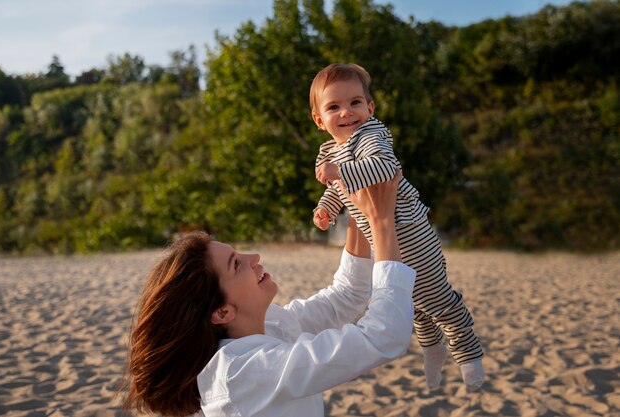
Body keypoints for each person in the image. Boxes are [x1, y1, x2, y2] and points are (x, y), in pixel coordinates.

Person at [123, 171, 417, 417]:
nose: (254, 257)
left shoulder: (267, 325)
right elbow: (383, 336)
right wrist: (381, 223)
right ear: (223, 312)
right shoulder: (242, 372)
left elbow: (346, 296)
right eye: (236, 264)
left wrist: (358, 212)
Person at [310, 63, 484, 391]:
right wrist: (325, 210)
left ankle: (468, 354)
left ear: (370, 108)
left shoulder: (371, 135)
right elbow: (339, 191)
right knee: (408, 301)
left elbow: (383, 167)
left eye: (355, 103)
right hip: (382, 239)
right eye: (334, 107)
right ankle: (432, 348)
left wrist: (338, 174)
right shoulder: (329, 152)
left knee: (439, 299)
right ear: (320, 120)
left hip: (410, 233)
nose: (346, 112)